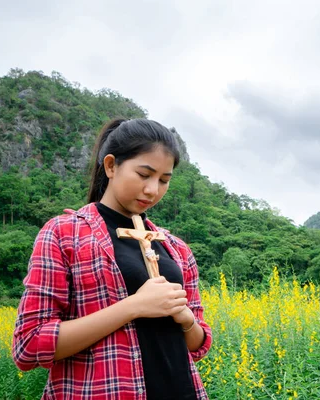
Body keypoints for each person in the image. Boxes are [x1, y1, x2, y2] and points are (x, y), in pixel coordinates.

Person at [12, 118, 212, 400]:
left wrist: (186, 319)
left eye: (164, 180)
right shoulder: (64, 233)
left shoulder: (176, 248)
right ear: (110, 166)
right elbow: (29, 345)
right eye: (144, 174)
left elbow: (199, 345)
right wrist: (134, 306)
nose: (153, 190)